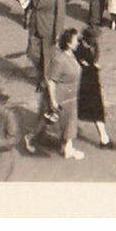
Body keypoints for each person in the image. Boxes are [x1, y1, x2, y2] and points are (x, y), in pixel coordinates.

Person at [26, 28, 85, 160]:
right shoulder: (60, 59)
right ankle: (30, 138)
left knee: (69, 122)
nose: (78, 43)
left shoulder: (70, 55)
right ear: (69, 43)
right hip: (60, 97)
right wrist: (53, 101)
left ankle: (67, 148)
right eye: (76, 40)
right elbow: (51, 81)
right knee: (46, 122)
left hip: (70, 96)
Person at [25, 0, 66, 85]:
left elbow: (60, 13)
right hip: (34, 25)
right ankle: (42, 74)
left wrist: (58, 33)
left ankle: (45, 82)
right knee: (33, 53)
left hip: (48, 27)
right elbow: (31, 5)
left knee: (47, 57)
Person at [75, 28, 116, 149]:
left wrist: (92, 66)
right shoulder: (78, 48)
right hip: (80, 84)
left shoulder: (93, 46)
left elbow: (93, 60)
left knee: (96, 110)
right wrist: (91, 66)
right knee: (69, 110)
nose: (97, 40)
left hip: (92, 83)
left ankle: (104, 138)